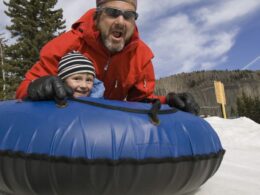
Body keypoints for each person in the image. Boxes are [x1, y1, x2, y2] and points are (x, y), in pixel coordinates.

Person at [16, 0, 199, 115]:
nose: (120, 21)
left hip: (109, 131)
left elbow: (141, 101)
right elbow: (24, 88)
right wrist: (37, 87)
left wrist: (168, 102)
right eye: (112, 13)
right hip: (65, 124)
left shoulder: (140, 55)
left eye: (129, 16)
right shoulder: (66, 45)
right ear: (97, 16)